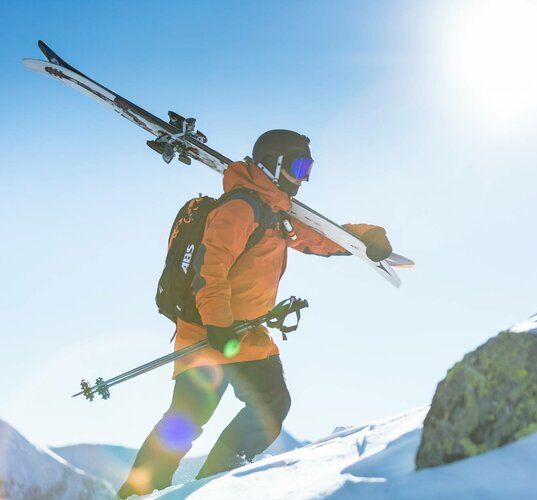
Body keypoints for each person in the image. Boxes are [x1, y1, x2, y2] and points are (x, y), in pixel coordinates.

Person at [118, 130, 392, 498]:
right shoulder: (239, 208)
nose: (303, 178)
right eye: (298, 167)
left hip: (247, 335)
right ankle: (137, 493)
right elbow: (208, 267)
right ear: (273, 164)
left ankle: (211, 484)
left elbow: (316, 237)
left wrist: (367, 237)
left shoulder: (275, 212)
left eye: (308, 168)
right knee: (187, 419)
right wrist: (217, 323)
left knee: (272, 406)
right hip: (206, 334)